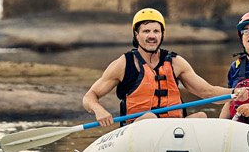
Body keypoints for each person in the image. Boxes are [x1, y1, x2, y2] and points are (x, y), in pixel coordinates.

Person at [82, 8, 226, 129]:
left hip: (174, 129)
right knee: (150, 117)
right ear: (136, 35)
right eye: (146, 31)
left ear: (162, 34)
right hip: (137, 129)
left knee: (201, 117)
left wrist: (236, 93)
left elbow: (209, 92)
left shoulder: (176, 62)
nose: (152, 36)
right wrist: (99, 110)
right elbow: (89, 97)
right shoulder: (123, 64)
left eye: (156, 31)